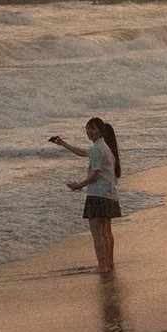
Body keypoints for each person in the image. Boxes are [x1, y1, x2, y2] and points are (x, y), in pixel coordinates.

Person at [50, 116, 122, 273]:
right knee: (105, 232)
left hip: (97, 195)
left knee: (97, 234)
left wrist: (78, 185)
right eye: (88, 128)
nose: (89, 131)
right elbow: (82, 152)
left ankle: (102, 266)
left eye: (93, 128)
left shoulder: (98, 148)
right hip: (108, 194)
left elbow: (95, 174)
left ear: (100, 131)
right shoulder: (105, 148)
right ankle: (108, 263)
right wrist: (63, 143)